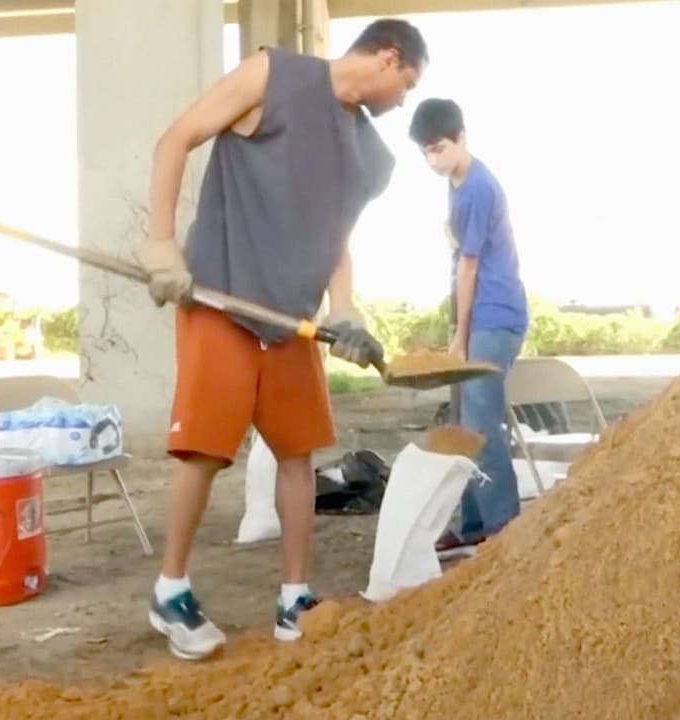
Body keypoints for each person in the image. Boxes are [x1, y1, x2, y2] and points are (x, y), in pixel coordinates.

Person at [132, 19, 428, 661]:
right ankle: (170, 588)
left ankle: (295, 597)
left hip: (290, 318)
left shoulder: (370, 156)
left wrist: (345, 311)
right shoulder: (275, 76)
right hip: (222, 294)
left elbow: (337, 237)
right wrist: (160, 240)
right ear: (388, 56)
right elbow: (176, 139)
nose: (404, 101)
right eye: (407, 85)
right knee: (205, 452)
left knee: (299, 456)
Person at [407, 98, 529, 558]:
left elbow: (469, 266)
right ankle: (473, 522)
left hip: (494, 315)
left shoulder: (477, 187)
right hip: (478, 315)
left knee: (481, 423)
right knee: (462, 423)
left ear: (460, 137)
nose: (432, 160)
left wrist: (459, 337)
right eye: (425, 153)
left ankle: (504, 527)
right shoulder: (457, 184)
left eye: (438, 148)